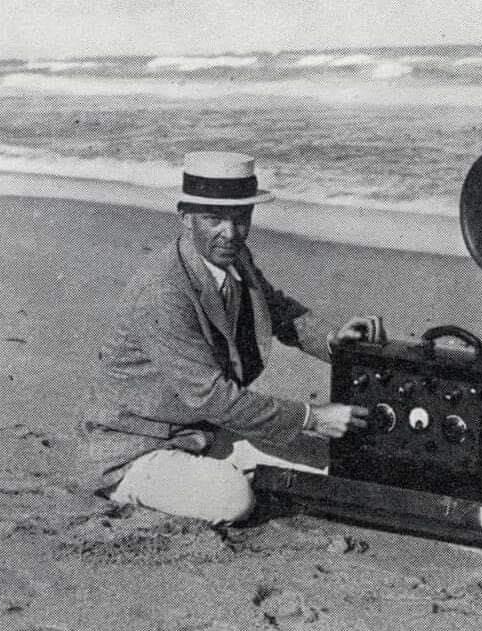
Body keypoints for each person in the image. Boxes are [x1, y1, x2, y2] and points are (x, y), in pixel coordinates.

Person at [82, 151, 383, 523]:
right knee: (233, 500)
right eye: (214, 219)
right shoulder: (163, 292)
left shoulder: (232, 258)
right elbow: (212, 396)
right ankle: (140, 486)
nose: (230, 232)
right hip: (137, 446)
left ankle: (223, 469)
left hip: (205, 431)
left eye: (241, 218)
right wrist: (313, 417)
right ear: (185, 218)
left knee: (332, 464)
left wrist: (332, 339)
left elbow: (276, 309)